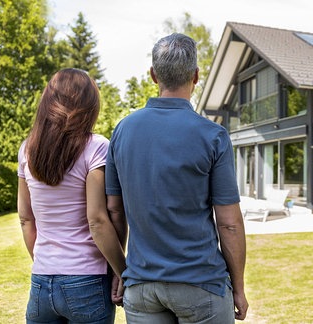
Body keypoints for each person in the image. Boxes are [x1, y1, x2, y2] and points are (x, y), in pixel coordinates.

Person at [105, 33, 249, 323]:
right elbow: (229, 224)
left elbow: (114, 211)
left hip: (142, 287)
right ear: (196, 76)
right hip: (201, 284)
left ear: (153, 75)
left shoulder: (122, 131)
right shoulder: (212, 136)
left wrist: (122, 271)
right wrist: (239, 288)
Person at [17, 68, 127, 324]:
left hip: (42, 283)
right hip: (87, 283)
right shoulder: (97, 147)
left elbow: (25, 218)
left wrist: (46, 263)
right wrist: (122, 271)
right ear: (89, 105)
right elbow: (99, 220)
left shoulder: (27, 150)